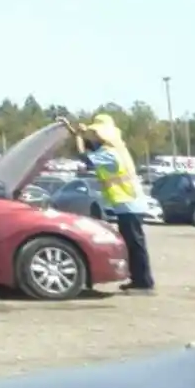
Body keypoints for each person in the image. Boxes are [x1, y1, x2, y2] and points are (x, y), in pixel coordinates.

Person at [63, 112, 153, 293]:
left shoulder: (110, 154)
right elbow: (88, 147)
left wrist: (79, 136)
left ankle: (143, 283)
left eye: (96, 133)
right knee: (131, 243)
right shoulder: (113, 149)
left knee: (135, 244)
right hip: (126, 203)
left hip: (128, 202)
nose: (94, 137)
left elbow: (85, 158)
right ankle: (138, 280)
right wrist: (74, 132)